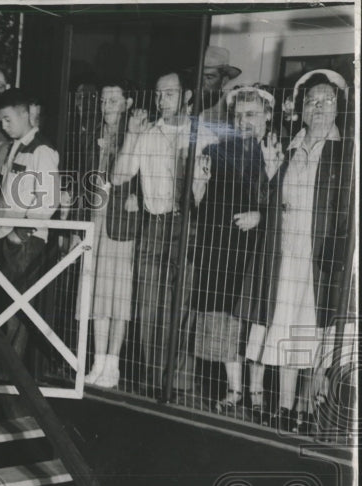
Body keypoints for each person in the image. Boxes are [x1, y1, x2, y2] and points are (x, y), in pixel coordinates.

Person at [244, 70, 353, 432]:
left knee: (315, 332)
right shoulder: (289, 148)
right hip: (286, 254)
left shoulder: (347, 152)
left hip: (321, 259)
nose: (319, 107)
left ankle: (307, 408)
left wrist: (339, 255)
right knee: (286, 329)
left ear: (340, 108)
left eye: (327, 101)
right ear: (302, 110)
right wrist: (271, 170)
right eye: (312, 101)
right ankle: (286, 408)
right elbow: (269, 200)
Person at [191, 85, 283, 416]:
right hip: (224, 250)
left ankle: (256, 393)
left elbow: (286, 204)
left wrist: (261, 216)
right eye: (239, 115)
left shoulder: (278, 152)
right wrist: (199, 188)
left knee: (256, 322)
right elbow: (201, 206)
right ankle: (234, 390)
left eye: (252, 115)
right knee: (227, 320)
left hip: (260, 251)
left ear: (268, 116)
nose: (244, 121)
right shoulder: (217, 151)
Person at [112, 71, 195, 394]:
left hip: (188, 225)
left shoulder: (198, 132)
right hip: (154, 224)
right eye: (159, 94)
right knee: (148, 305)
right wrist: (132, 136)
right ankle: (155, 379)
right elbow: (120, 177)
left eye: (170, 94)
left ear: (187, 96)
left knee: (182, 305)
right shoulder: (147, 134)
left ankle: (180, 381)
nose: (162, 101)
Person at [0, 89, 60, 364]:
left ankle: (9, 370)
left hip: (24, 240)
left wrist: (20, 234)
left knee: (16, 307)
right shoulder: (17, 146)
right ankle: (4, 367)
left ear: (25, 114)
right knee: (9, 303)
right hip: (8, 237)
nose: (4, 126)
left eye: (8, 119)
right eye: (1, 121)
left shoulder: (41, 149)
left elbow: (48, 199)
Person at [81, 81, 139, 389]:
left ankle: (113, 363)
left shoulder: (136, 134)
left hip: (121, 225)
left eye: (114, 100)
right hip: (96, 221)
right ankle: (98, 359)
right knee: (97, 294)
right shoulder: (92, 134)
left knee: (119, 295)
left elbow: (145, 175)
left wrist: (138, 197)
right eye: (104, 100)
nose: (107, 106)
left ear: (128, 103)